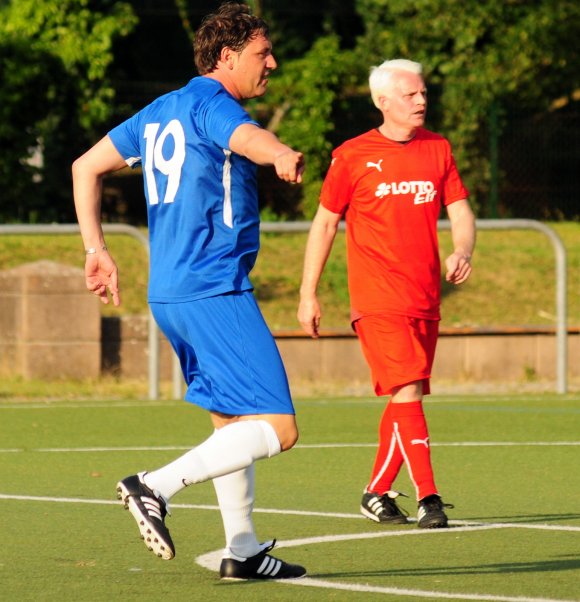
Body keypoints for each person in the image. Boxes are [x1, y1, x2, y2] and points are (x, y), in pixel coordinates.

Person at [72, 2, 306, 580]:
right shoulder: (212, 106)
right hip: (213, 288)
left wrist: (95, 249)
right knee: (279, 428)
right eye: (261, 53)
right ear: (226, 56)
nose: (271, 62)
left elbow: (84, 166)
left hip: (171, 291)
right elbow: (247, 138)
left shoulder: (160, 109)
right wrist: (277, 152)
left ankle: (243, 550)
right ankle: (153, 486)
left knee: (231, 421)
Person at [297, 58, 476, 529]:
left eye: (422, 93)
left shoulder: (438, 147)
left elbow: (459, 209)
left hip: (425, 297)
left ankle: (376, 492)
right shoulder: (352, 155)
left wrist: (462, 250)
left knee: (403, 398)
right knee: (408, 390)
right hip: (377, 299)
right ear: (382, 102)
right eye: (411, 94)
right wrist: (307, 293)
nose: (421, 100)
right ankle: (429, 498)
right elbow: (325, 222)